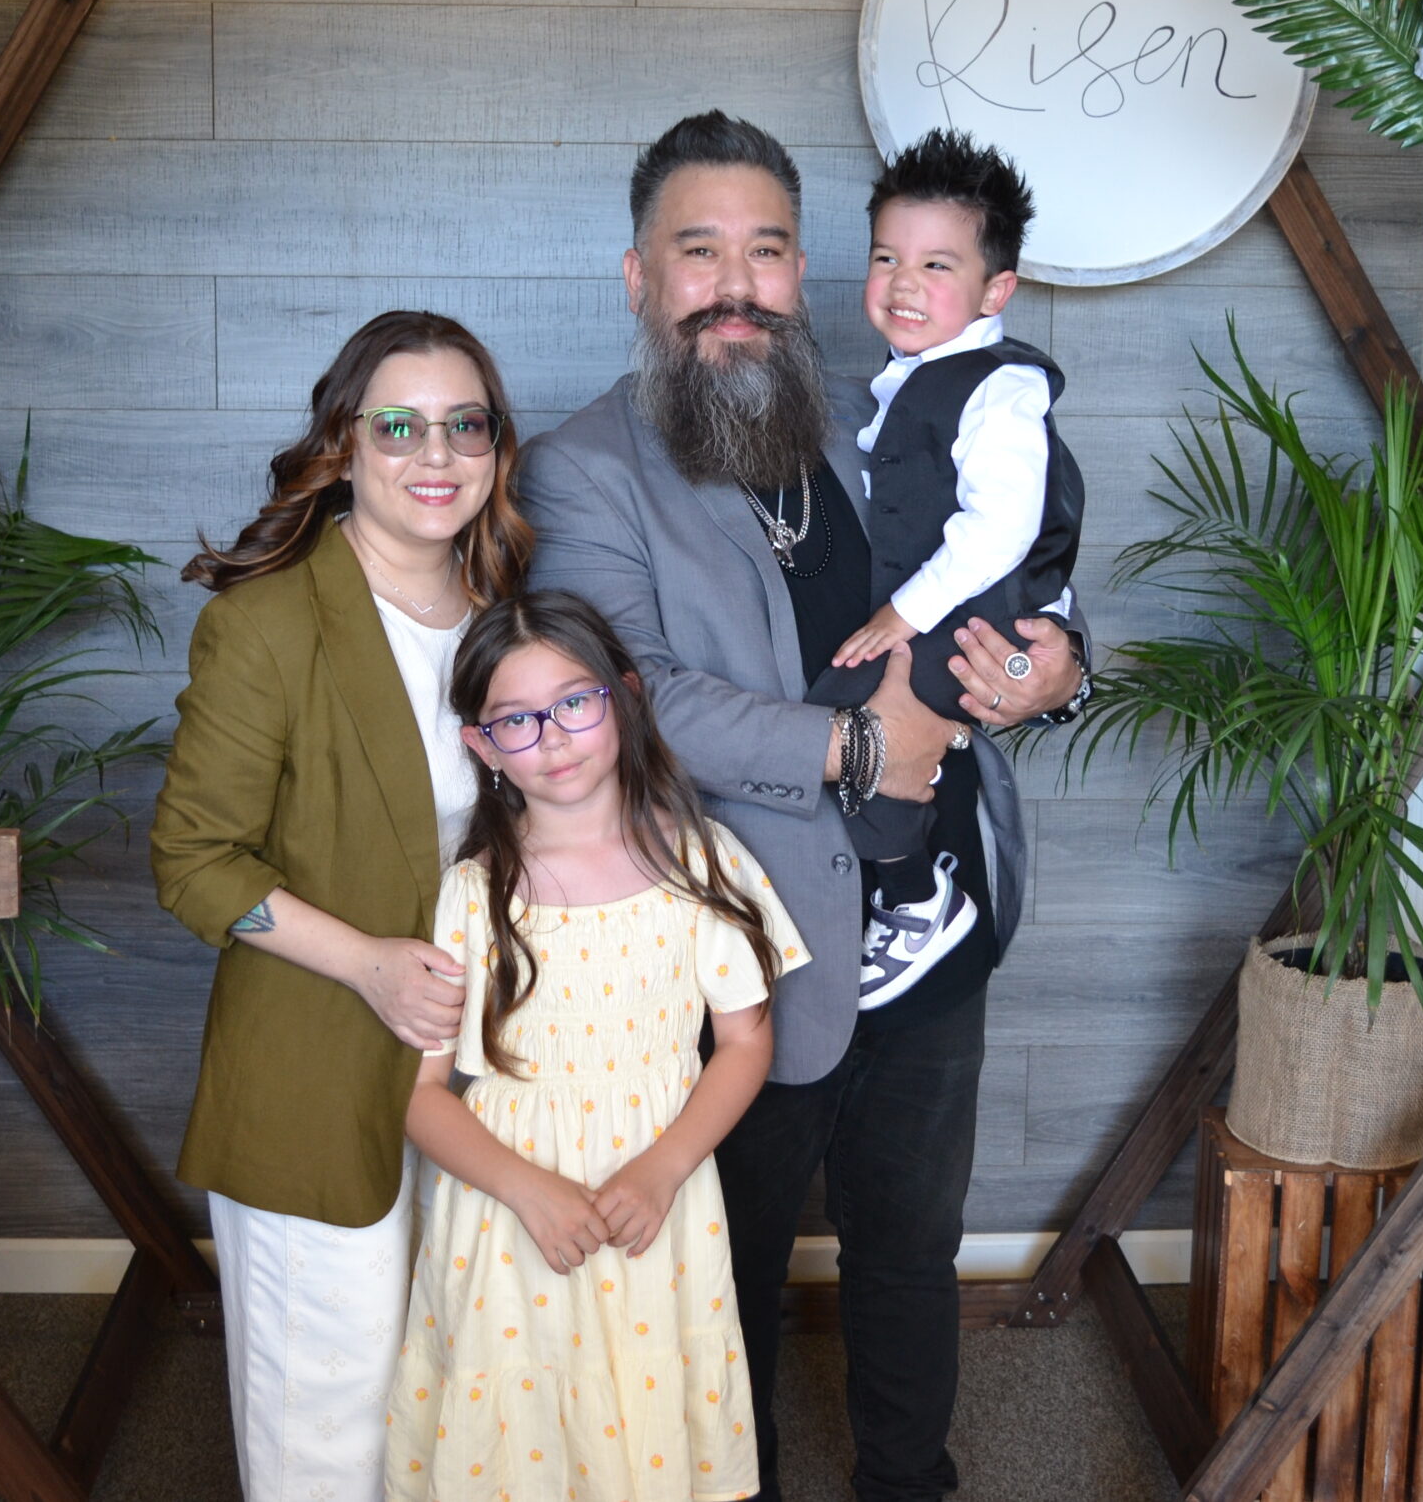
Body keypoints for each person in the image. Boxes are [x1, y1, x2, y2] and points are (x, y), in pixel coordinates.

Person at [517, 113, 1090, 1502]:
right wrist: (858, 748)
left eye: (766, 251)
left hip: (932, 928)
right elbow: (628, 696)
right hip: (736, 961)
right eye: (698, 250)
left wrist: (1060, 667)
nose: (736, 284)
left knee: (911, 1245)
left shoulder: (884, 407)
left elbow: (1016, 558)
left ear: (800, 270)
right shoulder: (583, 467)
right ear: (639, 276)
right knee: (728, 1271)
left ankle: (912, 1482)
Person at [151, 310, 532, 1502]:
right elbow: (194, 861)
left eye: (465, 425)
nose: (437, 454)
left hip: (484, 1076)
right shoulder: (265, 622)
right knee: (330, 1427)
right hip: (316, 1069)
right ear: (343, 443)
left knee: (460, 1404)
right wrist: (369, 963)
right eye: (399, 427)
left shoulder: (510, 615)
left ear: (497, 447)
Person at [384, 590, 810, 1502]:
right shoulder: (470, 893)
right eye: (518, 720)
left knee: (647, 1413)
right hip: (507, 1217)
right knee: (524, 1422)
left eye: (575, 702)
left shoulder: (702, 860)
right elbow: (420, 1093)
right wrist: (525, 1188)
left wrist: (662, 1168)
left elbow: (745, 1040)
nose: (554, 737)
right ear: (483, 746)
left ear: (623, 697)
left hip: (656, 1198)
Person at [815, 129, 1084, 1007]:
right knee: (843, 723)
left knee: (844, 722)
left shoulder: (1000, 387)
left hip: (969, 619)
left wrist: (906, 612)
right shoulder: (909, 380)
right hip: (956, 611)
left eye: (936, 265)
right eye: (886, 257)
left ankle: (914, 898)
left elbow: (1006, 526)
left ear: (996, 289)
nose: (903, 283)